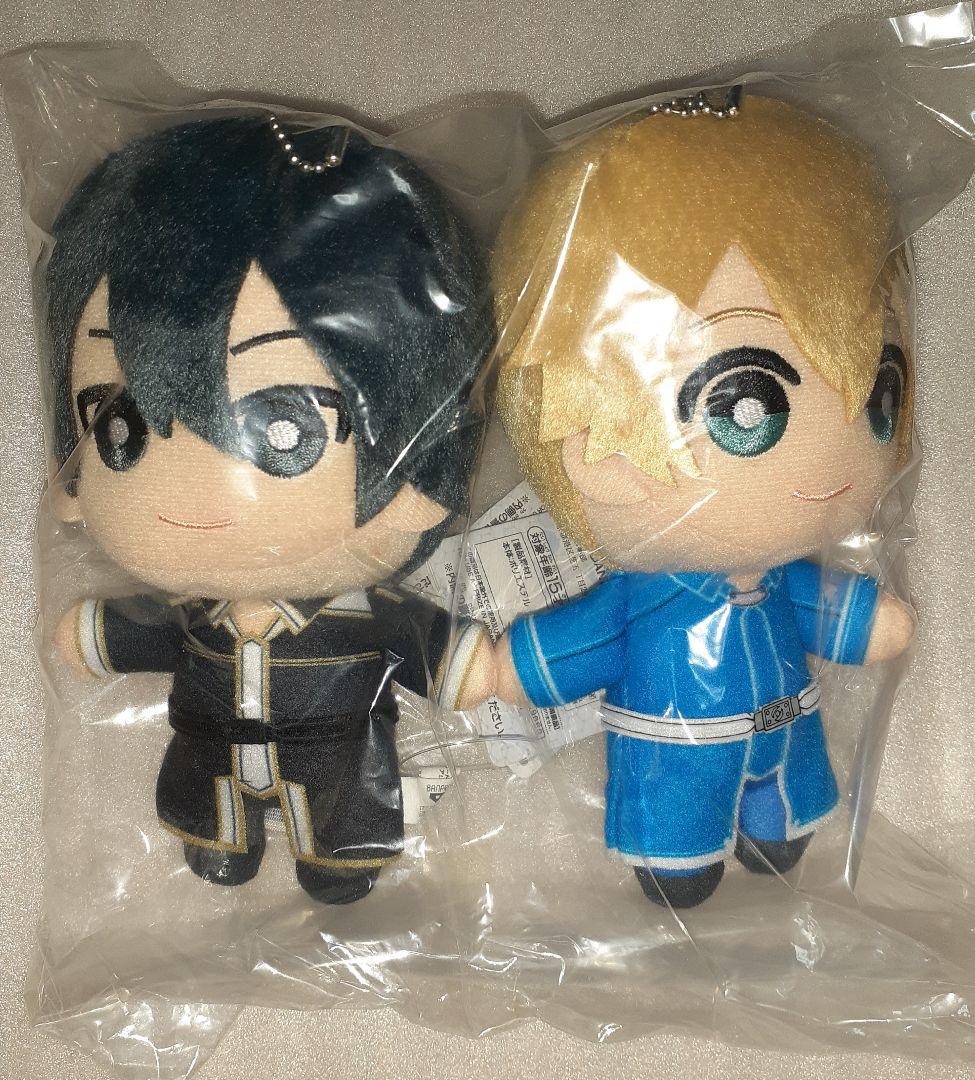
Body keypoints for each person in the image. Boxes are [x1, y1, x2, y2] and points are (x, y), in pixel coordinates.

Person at [456, 96, 916, 908]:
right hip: (675, 750)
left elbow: (822, 608)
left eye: (876, 393)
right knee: (676, 836)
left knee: (783, 817)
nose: (837, 456)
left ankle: (774, 830)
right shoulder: (644, 596)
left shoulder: (783, 576)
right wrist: (506, 669)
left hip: (786, 732)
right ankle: (677, 858)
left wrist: (865, 622)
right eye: (745, 405)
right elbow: (585, 639)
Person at [49, 115, 493, 904]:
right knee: (206, 811)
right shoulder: (194, 616)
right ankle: (221, 841)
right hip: (207, 760)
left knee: (343, 830)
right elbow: (148, 633)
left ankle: (338, 858)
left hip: (338, 769)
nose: (201, 489)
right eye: (120, 428)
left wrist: (466, 663)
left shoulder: (365, 616)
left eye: (285, 429)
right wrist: (99, 636)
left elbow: (421, 643)